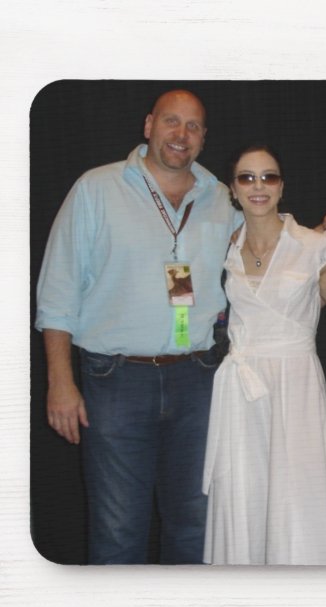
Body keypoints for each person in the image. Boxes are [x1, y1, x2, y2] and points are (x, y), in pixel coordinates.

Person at [35, 89, 242, 564]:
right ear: (149, 126)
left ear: (204, 137)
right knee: (118, 532)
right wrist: (60, 382)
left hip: (198, 381)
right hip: (116, 381)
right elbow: (58, 293)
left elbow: (267, 241)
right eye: (171, 121)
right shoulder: (96, 189)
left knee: (196, 527)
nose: (181, 134)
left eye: (193, 126)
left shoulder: (220, 197)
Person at [201, 144, 326, 565]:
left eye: (268, 177)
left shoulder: (314, 244)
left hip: (295, 385)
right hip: (242, 391)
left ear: (282, 186)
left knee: (299, 496)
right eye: (247, 177)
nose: (259, 186)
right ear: (233, 189)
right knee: (246, 493)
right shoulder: (226, 246)